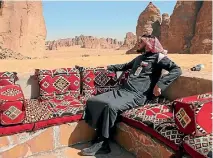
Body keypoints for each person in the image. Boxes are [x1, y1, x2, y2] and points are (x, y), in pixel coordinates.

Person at [80, 34, 182, 156]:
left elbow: (177, 70)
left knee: (111, 107)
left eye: (141, 41)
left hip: (138, 95)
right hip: (123, 91)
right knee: (93, 101)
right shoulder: (139, 58)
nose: (138, 43)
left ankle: (103, 143)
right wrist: (108, 67)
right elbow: (125, 66)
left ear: (149, 44)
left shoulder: (158, 58)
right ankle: (99, 133)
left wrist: (160, 85)